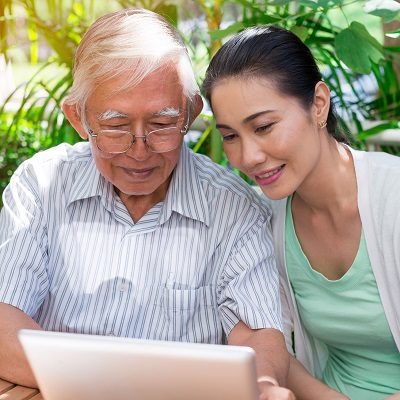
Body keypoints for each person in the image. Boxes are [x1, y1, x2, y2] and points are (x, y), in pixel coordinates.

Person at [0, 9, 295, 399]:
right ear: (78, 117)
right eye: (116, 126)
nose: (139, 151)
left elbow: (257, 332)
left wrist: (264, 388)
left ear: (190, 112)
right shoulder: (41, 185)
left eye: (161, 124)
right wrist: (113, 384)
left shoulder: (232, 208)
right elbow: (4, 316)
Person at [203, 25, 400, 400]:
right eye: (230, 136)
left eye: (264, 127)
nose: (248, 157)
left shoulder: (393, 199)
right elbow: (273, 339)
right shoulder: (264, 218)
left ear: (319, 104)